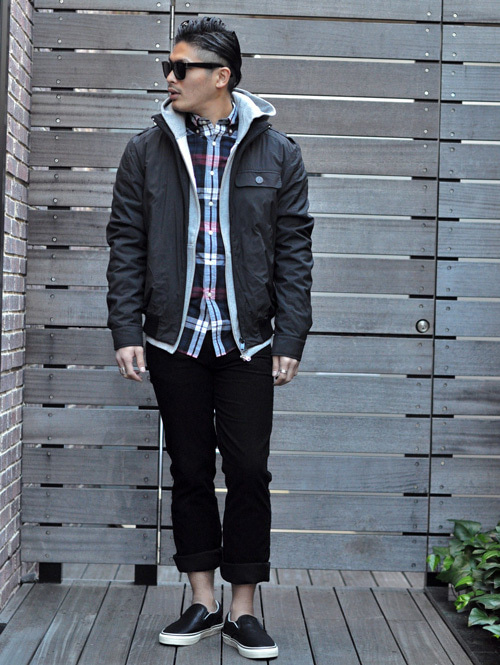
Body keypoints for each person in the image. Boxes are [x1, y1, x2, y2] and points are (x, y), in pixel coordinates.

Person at [106, 16, 313, 660]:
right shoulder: (146, 150)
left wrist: (290, 335)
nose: (169, 78)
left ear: (221, 76)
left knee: (249, 470)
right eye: (167, 67)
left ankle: (243, 610)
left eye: (180, 68)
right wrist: (126, 326)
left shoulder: (279, 153)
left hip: (247, 341)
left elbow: (294, 250)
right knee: (190, 469)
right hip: (176, 339)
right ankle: (202, 600)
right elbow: (125, 243)